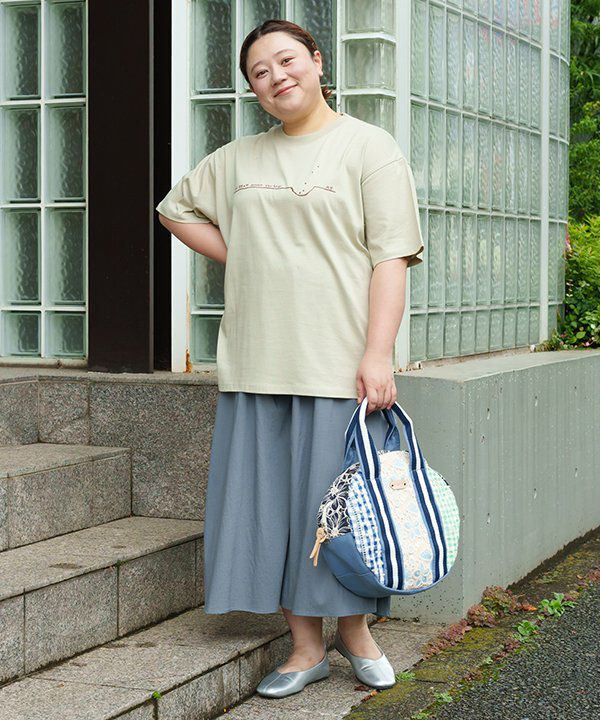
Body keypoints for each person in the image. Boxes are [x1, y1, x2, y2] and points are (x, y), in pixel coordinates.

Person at [155, 19, 424, 699]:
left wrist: (378, 354)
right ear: (253, 90)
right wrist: (243, 254)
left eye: (286, 60)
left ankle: (356, 635)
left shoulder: (368, 147)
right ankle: (305, 648)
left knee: (340, 511)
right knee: (273, 510)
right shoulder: (238, 158)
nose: (276, 76)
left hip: (338, 361)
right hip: (257, 359)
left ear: (317, 62)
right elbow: (173, 210)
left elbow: (391, 259)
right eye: (259, 72)